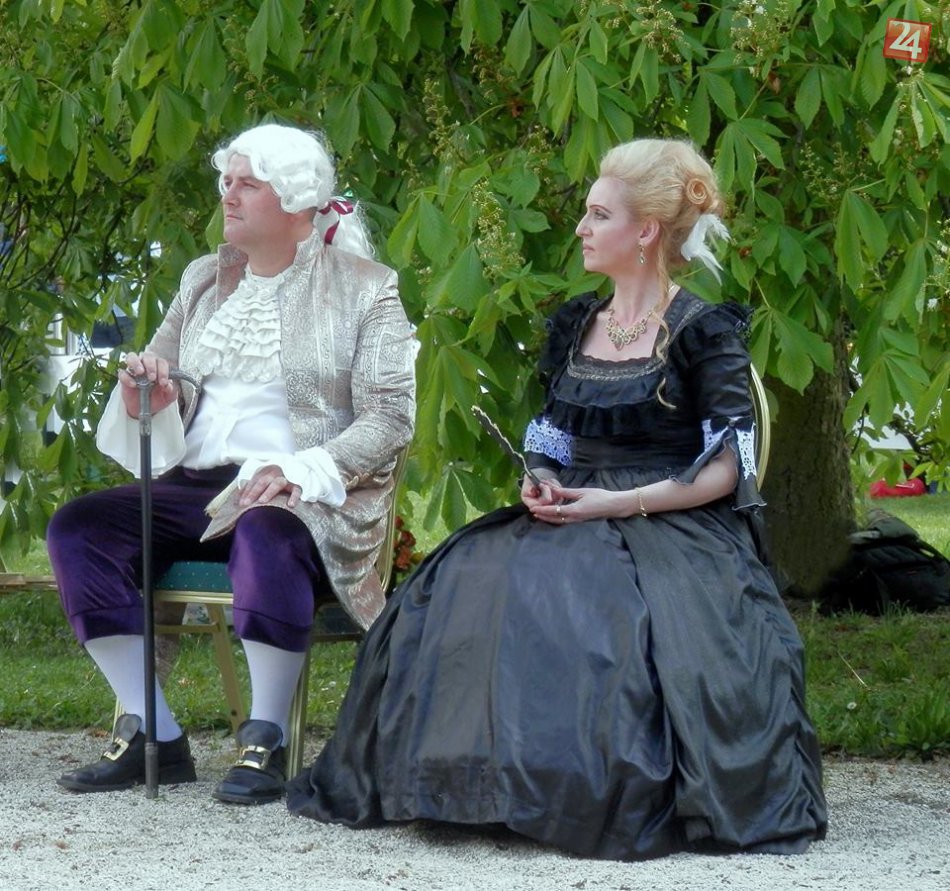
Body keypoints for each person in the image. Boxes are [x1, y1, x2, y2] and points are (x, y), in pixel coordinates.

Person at [285, 138, 828, 859]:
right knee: (471, 575)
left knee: (589, 597)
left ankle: (575, 791)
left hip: (673, 520)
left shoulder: (705, 332)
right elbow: (552, 434)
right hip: (573, 503)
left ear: (645, 231)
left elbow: (727, 470)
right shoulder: (577, 324)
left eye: (599, 215)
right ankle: (480, 782)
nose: (581, 227)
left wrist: (613, 505)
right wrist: (538, 473)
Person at [47, 123, 416, 804]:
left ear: (297, 200)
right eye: (227, 181)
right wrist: (147, 393)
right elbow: (159, 378)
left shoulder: (367, 288)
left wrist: (302, 469)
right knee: (79, 529)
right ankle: (154, 730)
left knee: (266, 532)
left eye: (248, 183)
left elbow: (390, 417)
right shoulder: (204, 279)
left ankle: (264, 738)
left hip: (303, 490)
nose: (229, 194)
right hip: (196, 486)